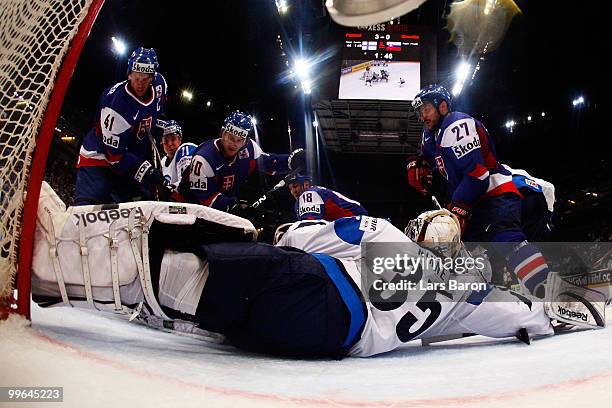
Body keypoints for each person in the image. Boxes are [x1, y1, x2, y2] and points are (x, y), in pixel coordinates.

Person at [31, 184, 605, 359]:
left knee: (199, 264)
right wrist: (577, 311)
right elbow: (518, 314)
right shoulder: (465, 294)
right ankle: (68, 284)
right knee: (204, 309)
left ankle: (55, 268)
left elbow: (302, 238)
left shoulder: (382, 234)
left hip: (318, 294)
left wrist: (282, 234)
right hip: (327, 340)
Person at [407, 84, 551, 296]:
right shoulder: (429, 135)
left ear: (443, 106)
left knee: (504, 237)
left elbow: (478, 175)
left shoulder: (458, 124)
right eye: (420, 112)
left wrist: (458, 208)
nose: (422, 116)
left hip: (494, 192)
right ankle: (482, 306)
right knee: (465, 254)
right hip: (472, 199)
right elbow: (428, 156)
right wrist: (417, 163)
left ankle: (550, 292)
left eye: (426, 109)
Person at [75, 47, 169, 205]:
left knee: (139, 208)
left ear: (153, 77)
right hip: (100, 159)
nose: (140, 83)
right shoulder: (117, 106)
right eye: (136, 77)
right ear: (129, 73)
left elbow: (159, 114)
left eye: (145, 79)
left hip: (128, 156)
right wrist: (147, 170)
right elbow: (115, 156)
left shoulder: (160, 85)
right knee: (87, 213)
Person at [178, 110, 305, 212]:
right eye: (230, 137)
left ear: (245, 141)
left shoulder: (249, 148)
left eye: (240, 140)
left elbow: (269, 163)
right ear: (222, 133)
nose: (234, 144)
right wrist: (232, 206)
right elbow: (205, 198)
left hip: (218, 207)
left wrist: (290, 160)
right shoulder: (204, 158)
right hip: (187, 207)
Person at [286, 172, 368, 221]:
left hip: (355, 220)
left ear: (306, 185)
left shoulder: (310, 193)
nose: (293, 191)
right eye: (290, 189)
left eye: (295, 186)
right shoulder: (308, 196)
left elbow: (309, 226)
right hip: (355, 221)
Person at [158, 120, 197, 191]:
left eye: (173, 139)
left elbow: (188, 182)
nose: (169, 144)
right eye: (166, 140)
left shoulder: (186, 149)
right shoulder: (163, 161)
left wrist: (168, 190)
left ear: (180, 139)